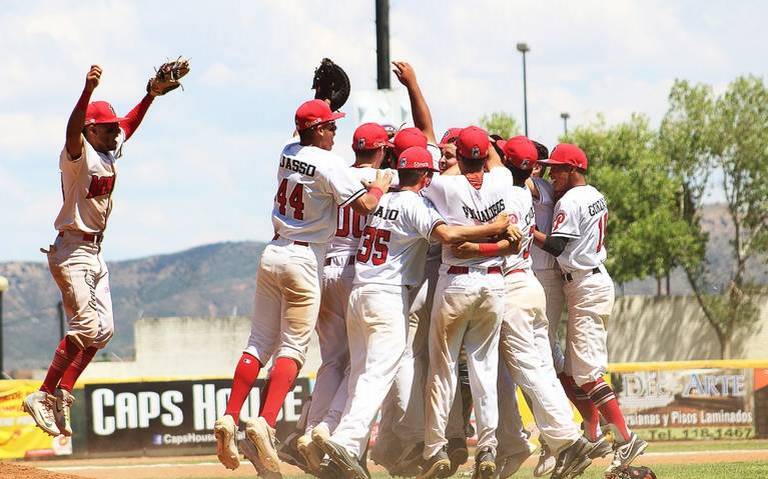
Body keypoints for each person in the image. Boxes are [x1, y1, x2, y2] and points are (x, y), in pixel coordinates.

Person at [213, 99, 393, 473]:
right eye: (330, 126)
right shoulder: (328, 163)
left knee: (257, 343)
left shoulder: (287, 151)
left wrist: (321, 100)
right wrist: (379, 185)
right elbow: (366, 206)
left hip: (272, 251)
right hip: (304, 259)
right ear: (318, 130)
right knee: (293, 347)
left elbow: (303, 141)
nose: (335, 132)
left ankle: (230, 415)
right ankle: (266, 422)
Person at [311, 146, 512, 479]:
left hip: (359, 292)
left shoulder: (385, 199)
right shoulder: (414, 204)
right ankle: (347, 443)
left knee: (361, 373)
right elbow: (447, 235)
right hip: (386, 295)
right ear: (426, 175)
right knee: (379, 372)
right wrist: (492, 227)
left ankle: (341, 442)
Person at [23, 64, 160, 438]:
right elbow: (71, 129)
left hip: (96, 252)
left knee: (104, 332)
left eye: (114, 126)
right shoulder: (78, 153)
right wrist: (86, 91)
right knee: (85, 326)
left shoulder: (110, 146)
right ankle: (43, 393)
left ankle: (64, 391)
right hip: (72, 250)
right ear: (91, 128)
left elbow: (130, 123)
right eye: (108, 125)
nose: (116, 129)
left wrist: (150, 93)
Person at [452, 137, 601, 479]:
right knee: (543, 369)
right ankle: (568, 437)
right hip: (531, 285)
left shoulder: (505, 191)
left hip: (514, 287)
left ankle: (567, 441)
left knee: (527, 370)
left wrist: (472, 246)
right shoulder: (524, 190)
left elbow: (504, 241)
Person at [534, 144, 648, 473]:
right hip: (586, 280)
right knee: (571, 373)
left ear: (573, 169)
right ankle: (593, 431)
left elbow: (556, 245)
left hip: (585, 282)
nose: (552, 173)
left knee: (586, 373)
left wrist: (528, 231)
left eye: (557, 168)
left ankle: (626, 440)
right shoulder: (592, 193)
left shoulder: (571, 200)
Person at [295, 122, 395, 474]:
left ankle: (309, 431)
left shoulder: (335, 171)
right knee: (359, 366)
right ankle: (328, 429)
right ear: (381, 149)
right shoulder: (386, 178)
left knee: (331, 362)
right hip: (357, 271)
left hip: (324, 269)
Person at [417, 126, 514, 479]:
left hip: (456, 280)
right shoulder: (502, 180)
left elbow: (425, 179)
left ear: (458, 156)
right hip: (493, 283)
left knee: (442, 370)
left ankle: (435, 450)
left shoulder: (444, 185)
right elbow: (494, 159)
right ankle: (487, 449)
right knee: (483, 369)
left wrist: (455, 158)